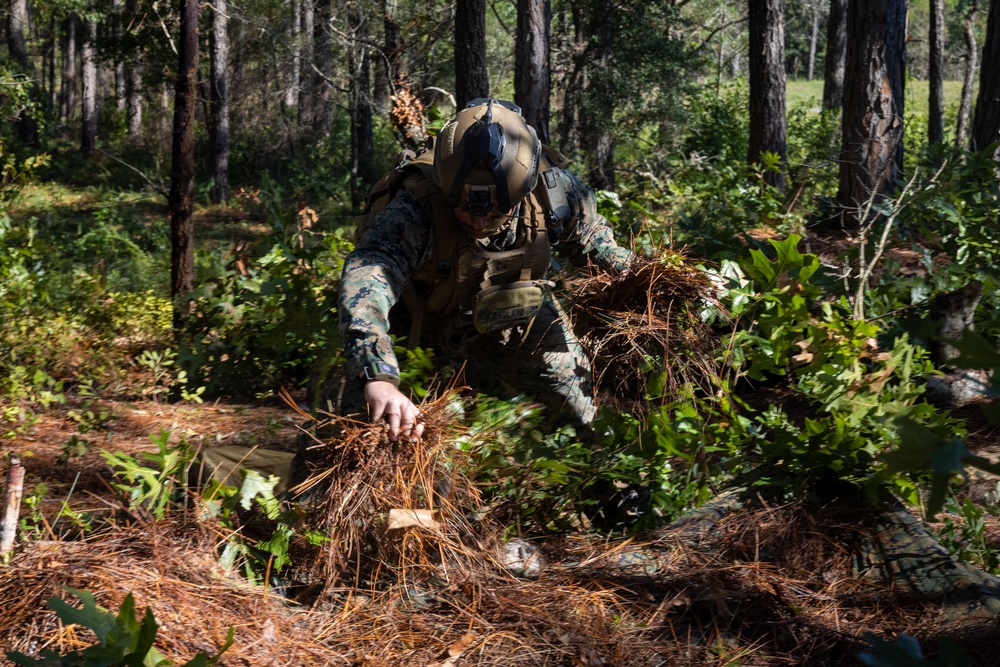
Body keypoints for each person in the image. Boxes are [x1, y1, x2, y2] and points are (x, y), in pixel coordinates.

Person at [337, 98, 633, 441]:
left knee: (584, 405)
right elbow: (368, 278)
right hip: (414, 331)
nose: (478, 220)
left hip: (511, 322)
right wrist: (377, 374)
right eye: (464, 208)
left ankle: (611, 481)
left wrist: (631, 274)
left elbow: (593, 238)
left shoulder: (554, 193)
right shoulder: (413, 211)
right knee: (364, 428)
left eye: (494, 212)